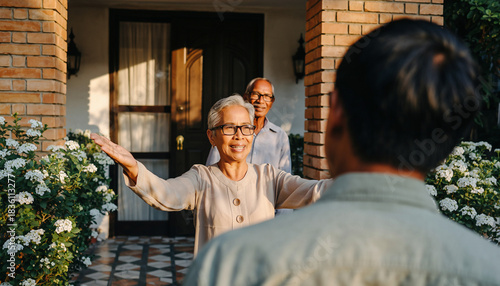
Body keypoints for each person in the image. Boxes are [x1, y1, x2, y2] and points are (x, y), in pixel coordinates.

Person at [183, 19, 500, 285]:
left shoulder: (229, 262)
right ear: (446, 146)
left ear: (335, 114)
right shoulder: (488, 270)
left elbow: (287, 174)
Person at [91, 95, 331, 255]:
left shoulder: (270, 177)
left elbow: (316, 191)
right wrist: (133, 167)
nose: (239, 136)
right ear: (212, 136)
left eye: (246, 128)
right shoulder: (201, 178)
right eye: (229, 128)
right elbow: (166, 194)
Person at [206, 78, 292, 174]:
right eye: (256, 94)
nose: (260, 101)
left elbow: (285, 175)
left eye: (267, 96)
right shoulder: (228, 131)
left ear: (272, 102)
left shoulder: (280, 136)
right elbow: (212, 170)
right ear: (246, 97)